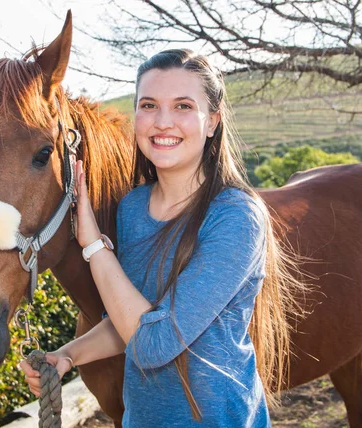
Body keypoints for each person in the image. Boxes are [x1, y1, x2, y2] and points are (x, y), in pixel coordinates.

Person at [20, 49, 299, 427]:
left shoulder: (235, 217)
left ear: (212, 121)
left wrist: (93, 243)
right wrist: (68, 355)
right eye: (149, 105)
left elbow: (154, 345)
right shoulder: (133, 209)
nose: (163, 122)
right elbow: (131, 324)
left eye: (183, 106)